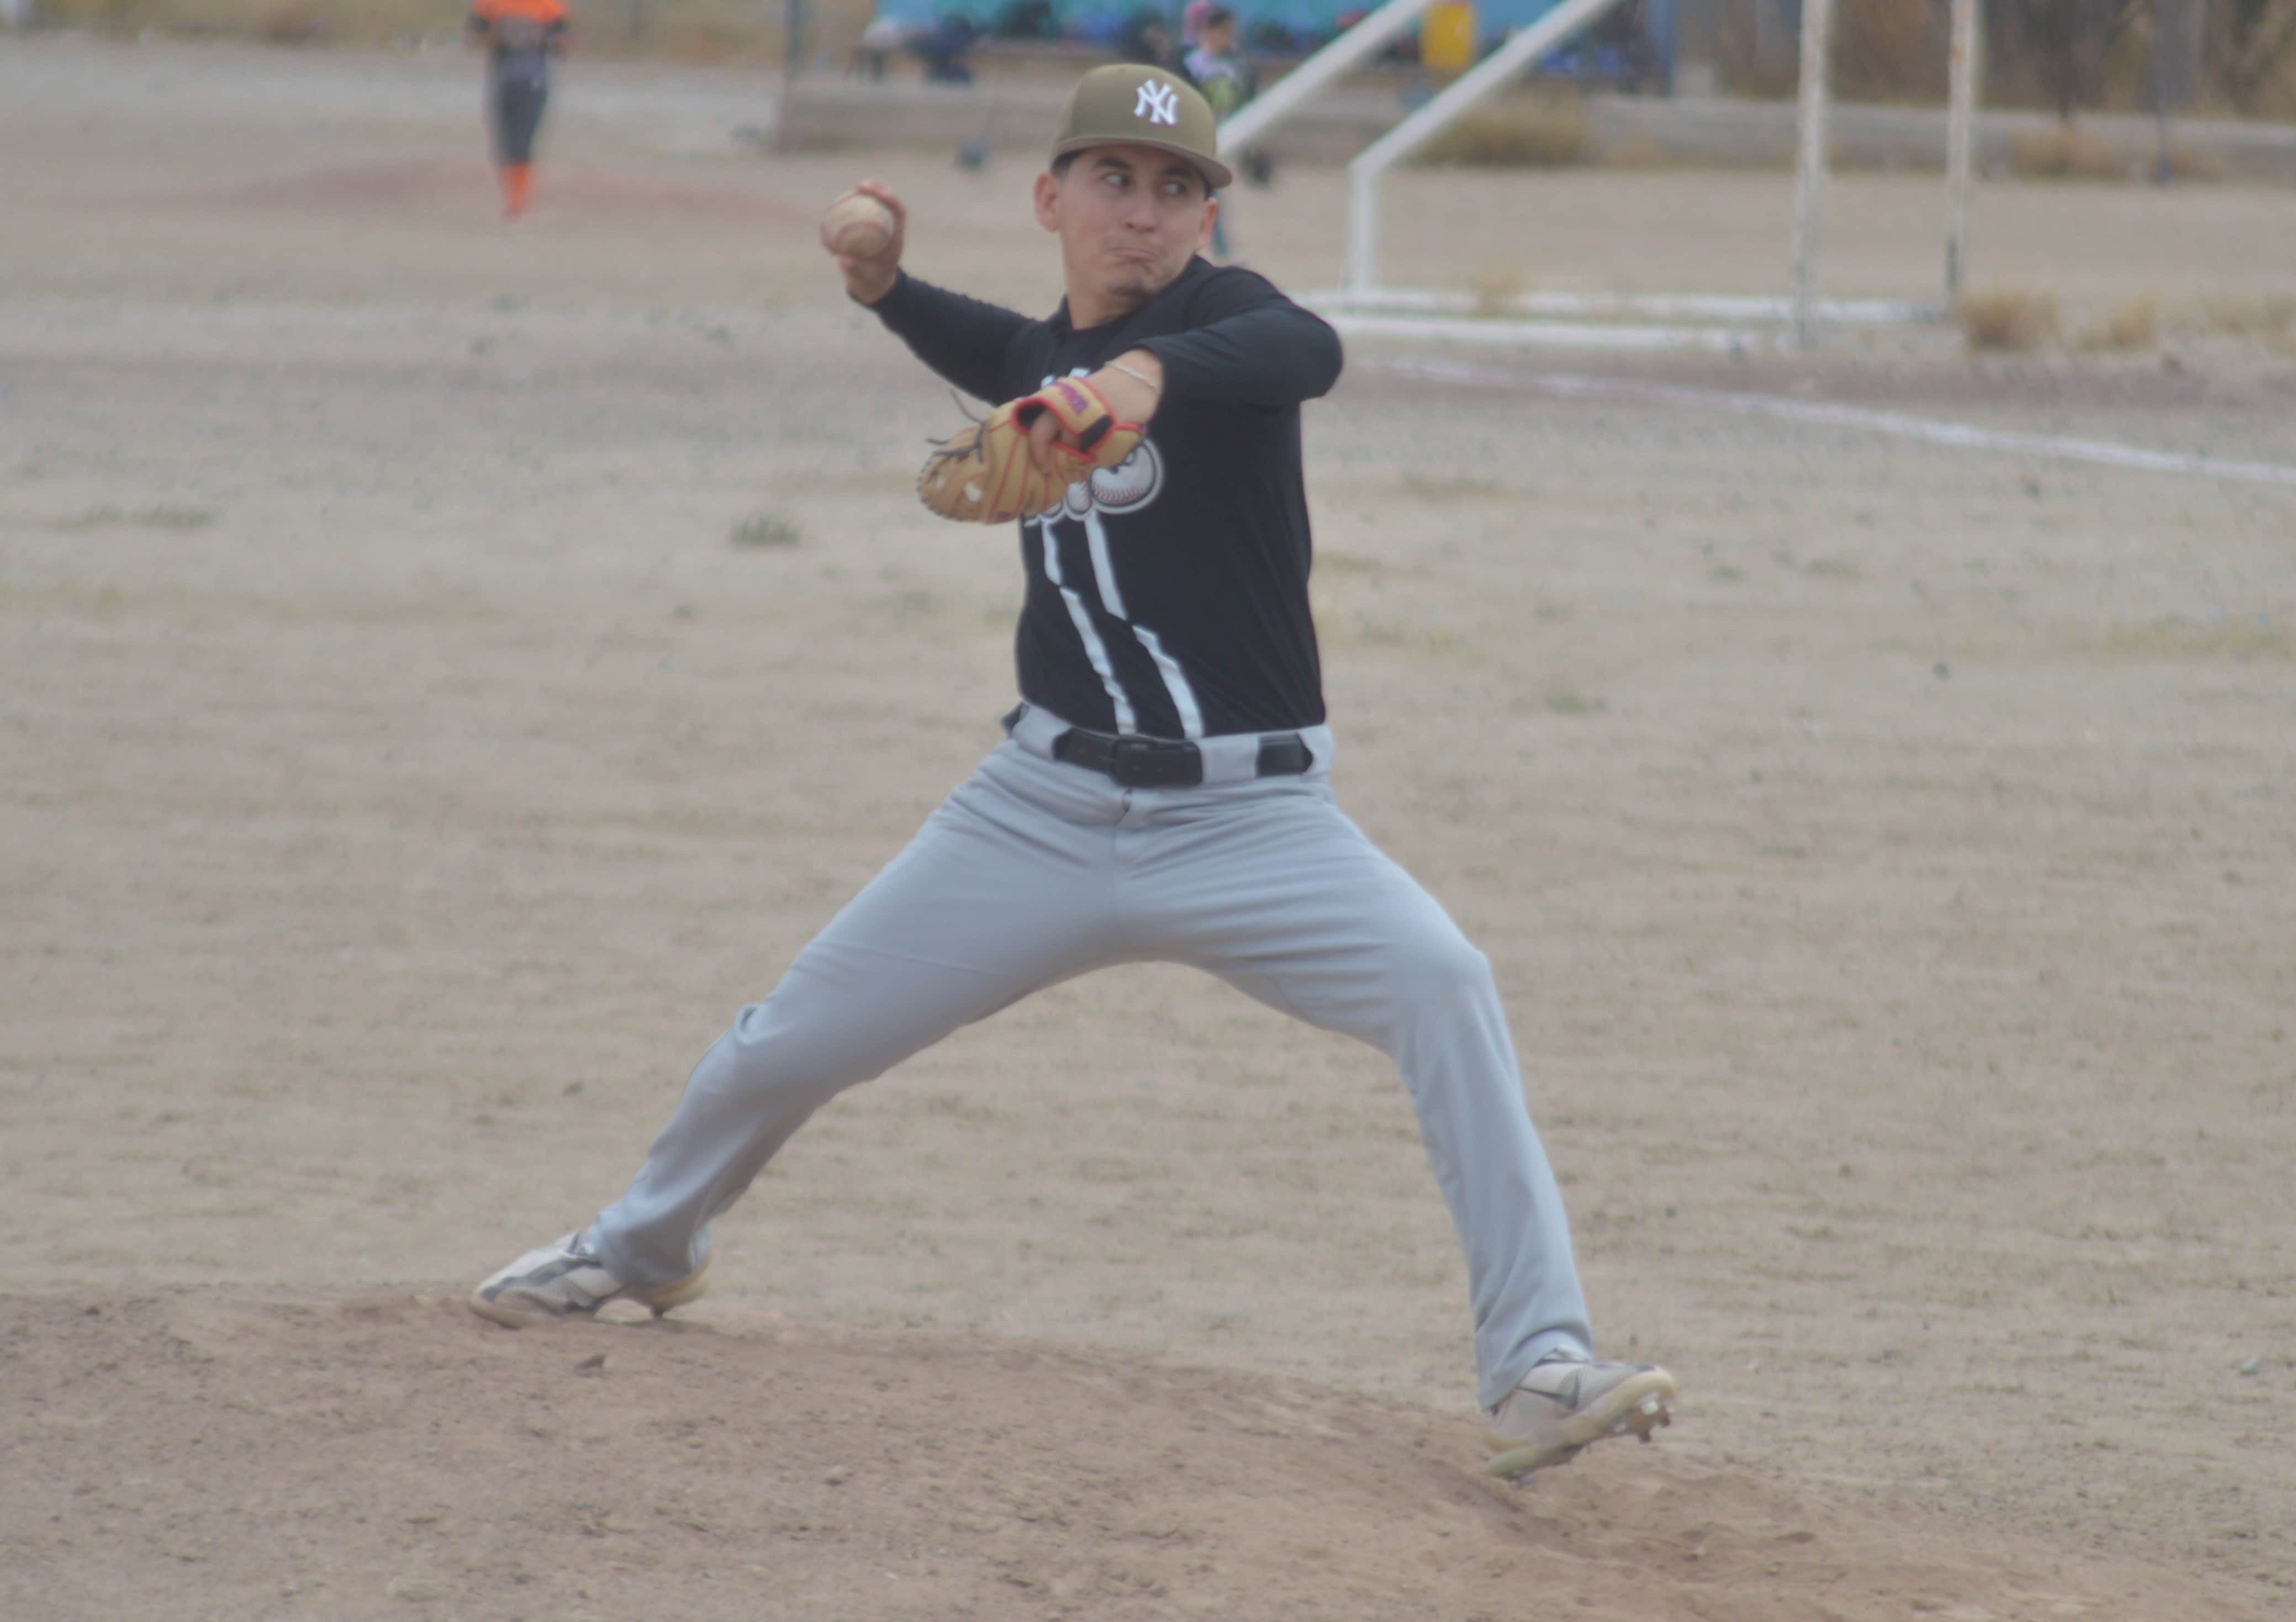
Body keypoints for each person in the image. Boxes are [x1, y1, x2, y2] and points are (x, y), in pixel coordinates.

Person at [468, 63, 1677, 1481]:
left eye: (1176, 188)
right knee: (785, 1042)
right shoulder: (1046, 359)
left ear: (1209, 218)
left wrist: (1150, 370)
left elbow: (1310, 351)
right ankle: (645, 1244)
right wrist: (882, 287)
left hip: (1253, 822)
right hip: (1033, 817)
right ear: (1050, 197)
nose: (1143, 212)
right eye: (1113, 179)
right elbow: (996, 345)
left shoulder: (1226, 324)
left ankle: (1535, 1362)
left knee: (1446, 987)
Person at [467, 0, 566, 220]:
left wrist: (540, 39)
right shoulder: (491, 5)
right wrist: (502, 36)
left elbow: (563, 41)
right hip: (508, 79)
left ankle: (517, 201)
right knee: (505, 140)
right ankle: (514, 198)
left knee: (521, 140)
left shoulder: (548, 7)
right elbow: (476, 35)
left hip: (530, 78)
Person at [1178, 7, 1252, 258]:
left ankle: (1214, 245)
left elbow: (1246, 98)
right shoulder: (1190, 64)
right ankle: (1214, 247)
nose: (1228, 38)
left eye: (1231, 33)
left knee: (1211, 192)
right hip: (1197, 138)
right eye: (1223, 32)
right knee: (1205, 191)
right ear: (1208, 31)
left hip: (1225, 138)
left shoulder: (1236, 66)